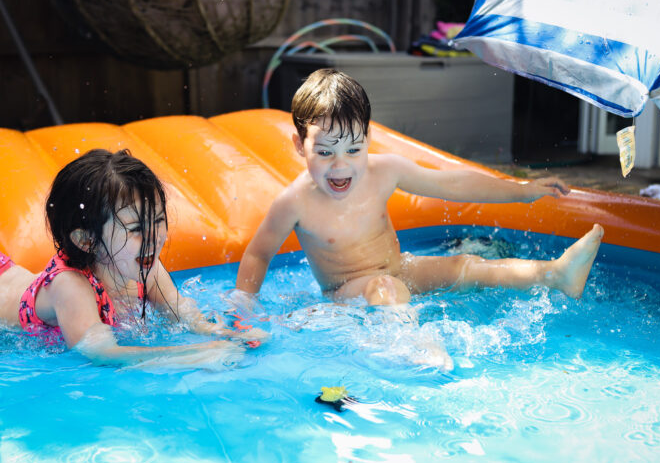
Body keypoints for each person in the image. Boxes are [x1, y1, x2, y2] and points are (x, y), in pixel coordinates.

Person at [235, 68, 604, 308]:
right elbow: (258, 254)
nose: (340, 164)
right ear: (300, 147)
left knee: (466, 265)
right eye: (325, 152)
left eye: (353, 149)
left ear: (368, 139)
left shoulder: (384, 171)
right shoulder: (294, 203)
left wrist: (523, 190)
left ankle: (554, 275)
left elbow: (451, 183)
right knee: (385, 289)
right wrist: (244, 307)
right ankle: (413, 350)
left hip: (399, 270)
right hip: (345, 294)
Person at [0, 149, 268, 368]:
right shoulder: (71, 286)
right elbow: (103, 353)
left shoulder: (146, 266)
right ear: (86, 240)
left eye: (158, 221)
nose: (154, 237)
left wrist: (223, 333)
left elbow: (181, 311)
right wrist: (192, 356)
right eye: (136, 228)